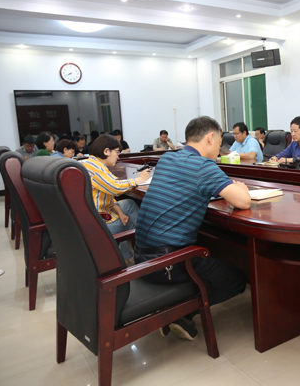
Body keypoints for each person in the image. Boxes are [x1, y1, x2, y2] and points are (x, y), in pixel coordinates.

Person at [135, 116, 250, 340]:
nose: (219, 150)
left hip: (141, 256)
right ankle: (180, 313)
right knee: (236, 280)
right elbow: (243, 202)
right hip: (167, 264)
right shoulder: (203, 166)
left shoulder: (167, 158)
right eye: (219, 143)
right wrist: (241, 189)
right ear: (211, 138)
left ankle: (177, 307)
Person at [82, 135, 150, 266]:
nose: (118, 157)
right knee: (132, 222)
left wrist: (120, 212)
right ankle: (142, 254)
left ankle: (128, 255)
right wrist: (138, 180)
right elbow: (115, 188)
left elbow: (107, 193)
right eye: (117, 152)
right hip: (97, 222)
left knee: (129, 204)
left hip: (92, 213)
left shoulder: (90, 163)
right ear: (106, 151)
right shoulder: (96, 168)